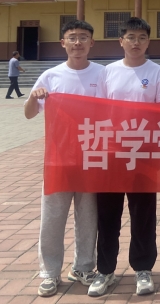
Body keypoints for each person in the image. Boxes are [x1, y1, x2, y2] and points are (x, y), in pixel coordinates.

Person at [88, 17, 160, 298]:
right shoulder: (107, 72)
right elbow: (98, 110)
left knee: (143, 214)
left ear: (148, 42)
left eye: (142, 37)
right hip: (111, 153)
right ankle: (105, 271)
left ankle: (143, 269)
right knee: (107, 215)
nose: (136, 42)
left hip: (144, 154)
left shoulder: (158, 73)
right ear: (121, 41)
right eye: (131, 37)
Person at [23, 20, 103, 298]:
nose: (77, 43)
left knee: (88, 217)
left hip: (92, 156)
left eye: (83, 37)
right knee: (53, 217)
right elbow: (29, 113)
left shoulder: (103, 74)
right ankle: (49, 272)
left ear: (92, 42)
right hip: (58, 159)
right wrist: (34, 97)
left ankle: (84, 267)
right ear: (63, 43)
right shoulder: (51, 76)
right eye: (72, 37)